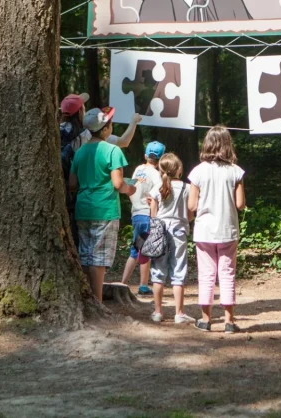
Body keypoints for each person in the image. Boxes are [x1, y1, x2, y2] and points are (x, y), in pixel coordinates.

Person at [69, 107, 134, 301]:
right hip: (105, 209)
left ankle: (85, 297)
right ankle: (96, 301)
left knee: (85, 255)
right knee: (98, 259)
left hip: (83, 208)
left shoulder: (80, 151)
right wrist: (131, 189)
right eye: (110, 125)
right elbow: (118, 183)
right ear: (105, 129)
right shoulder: (113, 150)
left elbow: (72, 183)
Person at [187, 125, 246, 333]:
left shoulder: (198, 171)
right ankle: (229, 322)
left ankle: (206, 320)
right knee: (227, 273)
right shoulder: (235, 172)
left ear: (207, 144)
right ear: (227, 145)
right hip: (228, 230)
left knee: (206, 274)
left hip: (203, 231)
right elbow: (240, 204)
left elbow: (192, 205)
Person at [146, 153, 195, 324]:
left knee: (158, 272)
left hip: (159, 233)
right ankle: (179, 313)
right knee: (178, 270)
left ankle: (158, 312)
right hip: (179, 233)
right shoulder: (188, 189)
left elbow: (153, 215)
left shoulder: (157, 189)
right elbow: (190, 216)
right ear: (179, 169)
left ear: (161, 170)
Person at [120, 140, 165, 296]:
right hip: (147, 215)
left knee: (135, 249)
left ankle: (122, 283)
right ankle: (143, 286)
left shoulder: (138, 169)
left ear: (145, 155)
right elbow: (160, 190)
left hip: (136, 214)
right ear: (161, 159)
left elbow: (131, 187)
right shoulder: (156, 174)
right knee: (145, 250)